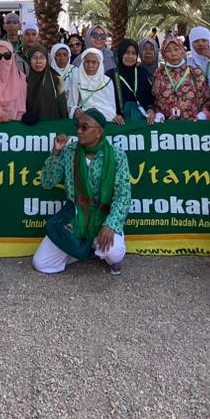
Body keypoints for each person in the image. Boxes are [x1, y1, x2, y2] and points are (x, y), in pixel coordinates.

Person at [32, 109, 130, 276]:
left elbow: (123, 195)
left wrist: (111, 224)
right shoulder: (70, 151)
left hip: (103, 216)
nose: (78, 131)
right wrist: (56, 153)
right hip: (75, 215)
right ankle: (85, 250)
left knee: (114, 252)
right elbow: (47, 183)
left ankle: (96, 250)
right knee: (41, 263)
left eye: (84, 127)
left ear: (99, 132)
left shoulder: (117, 155)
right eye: (77, 126)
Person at [149, 37, 210, 122]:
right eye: (168, 51)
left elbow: (208, 99)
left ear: (182, 51)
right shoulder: (159, 74)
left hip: (193, 125)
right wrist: (157, 113)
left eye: (176, 49)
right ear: (164, 55)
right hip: (165, 126)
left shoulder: (195, 72)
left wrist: (203, 114)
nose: (173, 54)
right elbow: (153, 99)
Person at [67, 48, 119, 122]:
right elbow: (71, 104)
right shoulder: (77, 80)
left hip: (105, 118)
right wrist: (75, 110)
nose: (90, 65)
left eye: (94, 62)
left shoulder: (107, 81)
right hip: (83, 119)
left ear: (99, 64)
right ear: (83, 63)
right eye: (87, 62)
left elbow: (110, 106)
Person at [109, 39, 154, 124]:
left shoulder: (142, 72)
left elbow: (150, 97)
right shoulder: (110, 75)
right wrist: (113, 115)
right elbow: (106, 102)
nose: (130, 56)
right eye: (127, 52)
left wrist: (150, 110)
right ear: (121, 53)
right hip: (120, 123)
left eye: (133, 53)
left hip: (144, 122)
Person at [23, 45, 69, 123]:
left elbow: (62, 106)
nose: (38, 61)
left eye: (42, 58)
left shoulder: (56, 79)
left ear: (47, 60)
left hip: (51, 125)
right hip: (30, 127)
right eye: (34, 58)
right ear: (29, 60)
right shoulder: (23, 79)